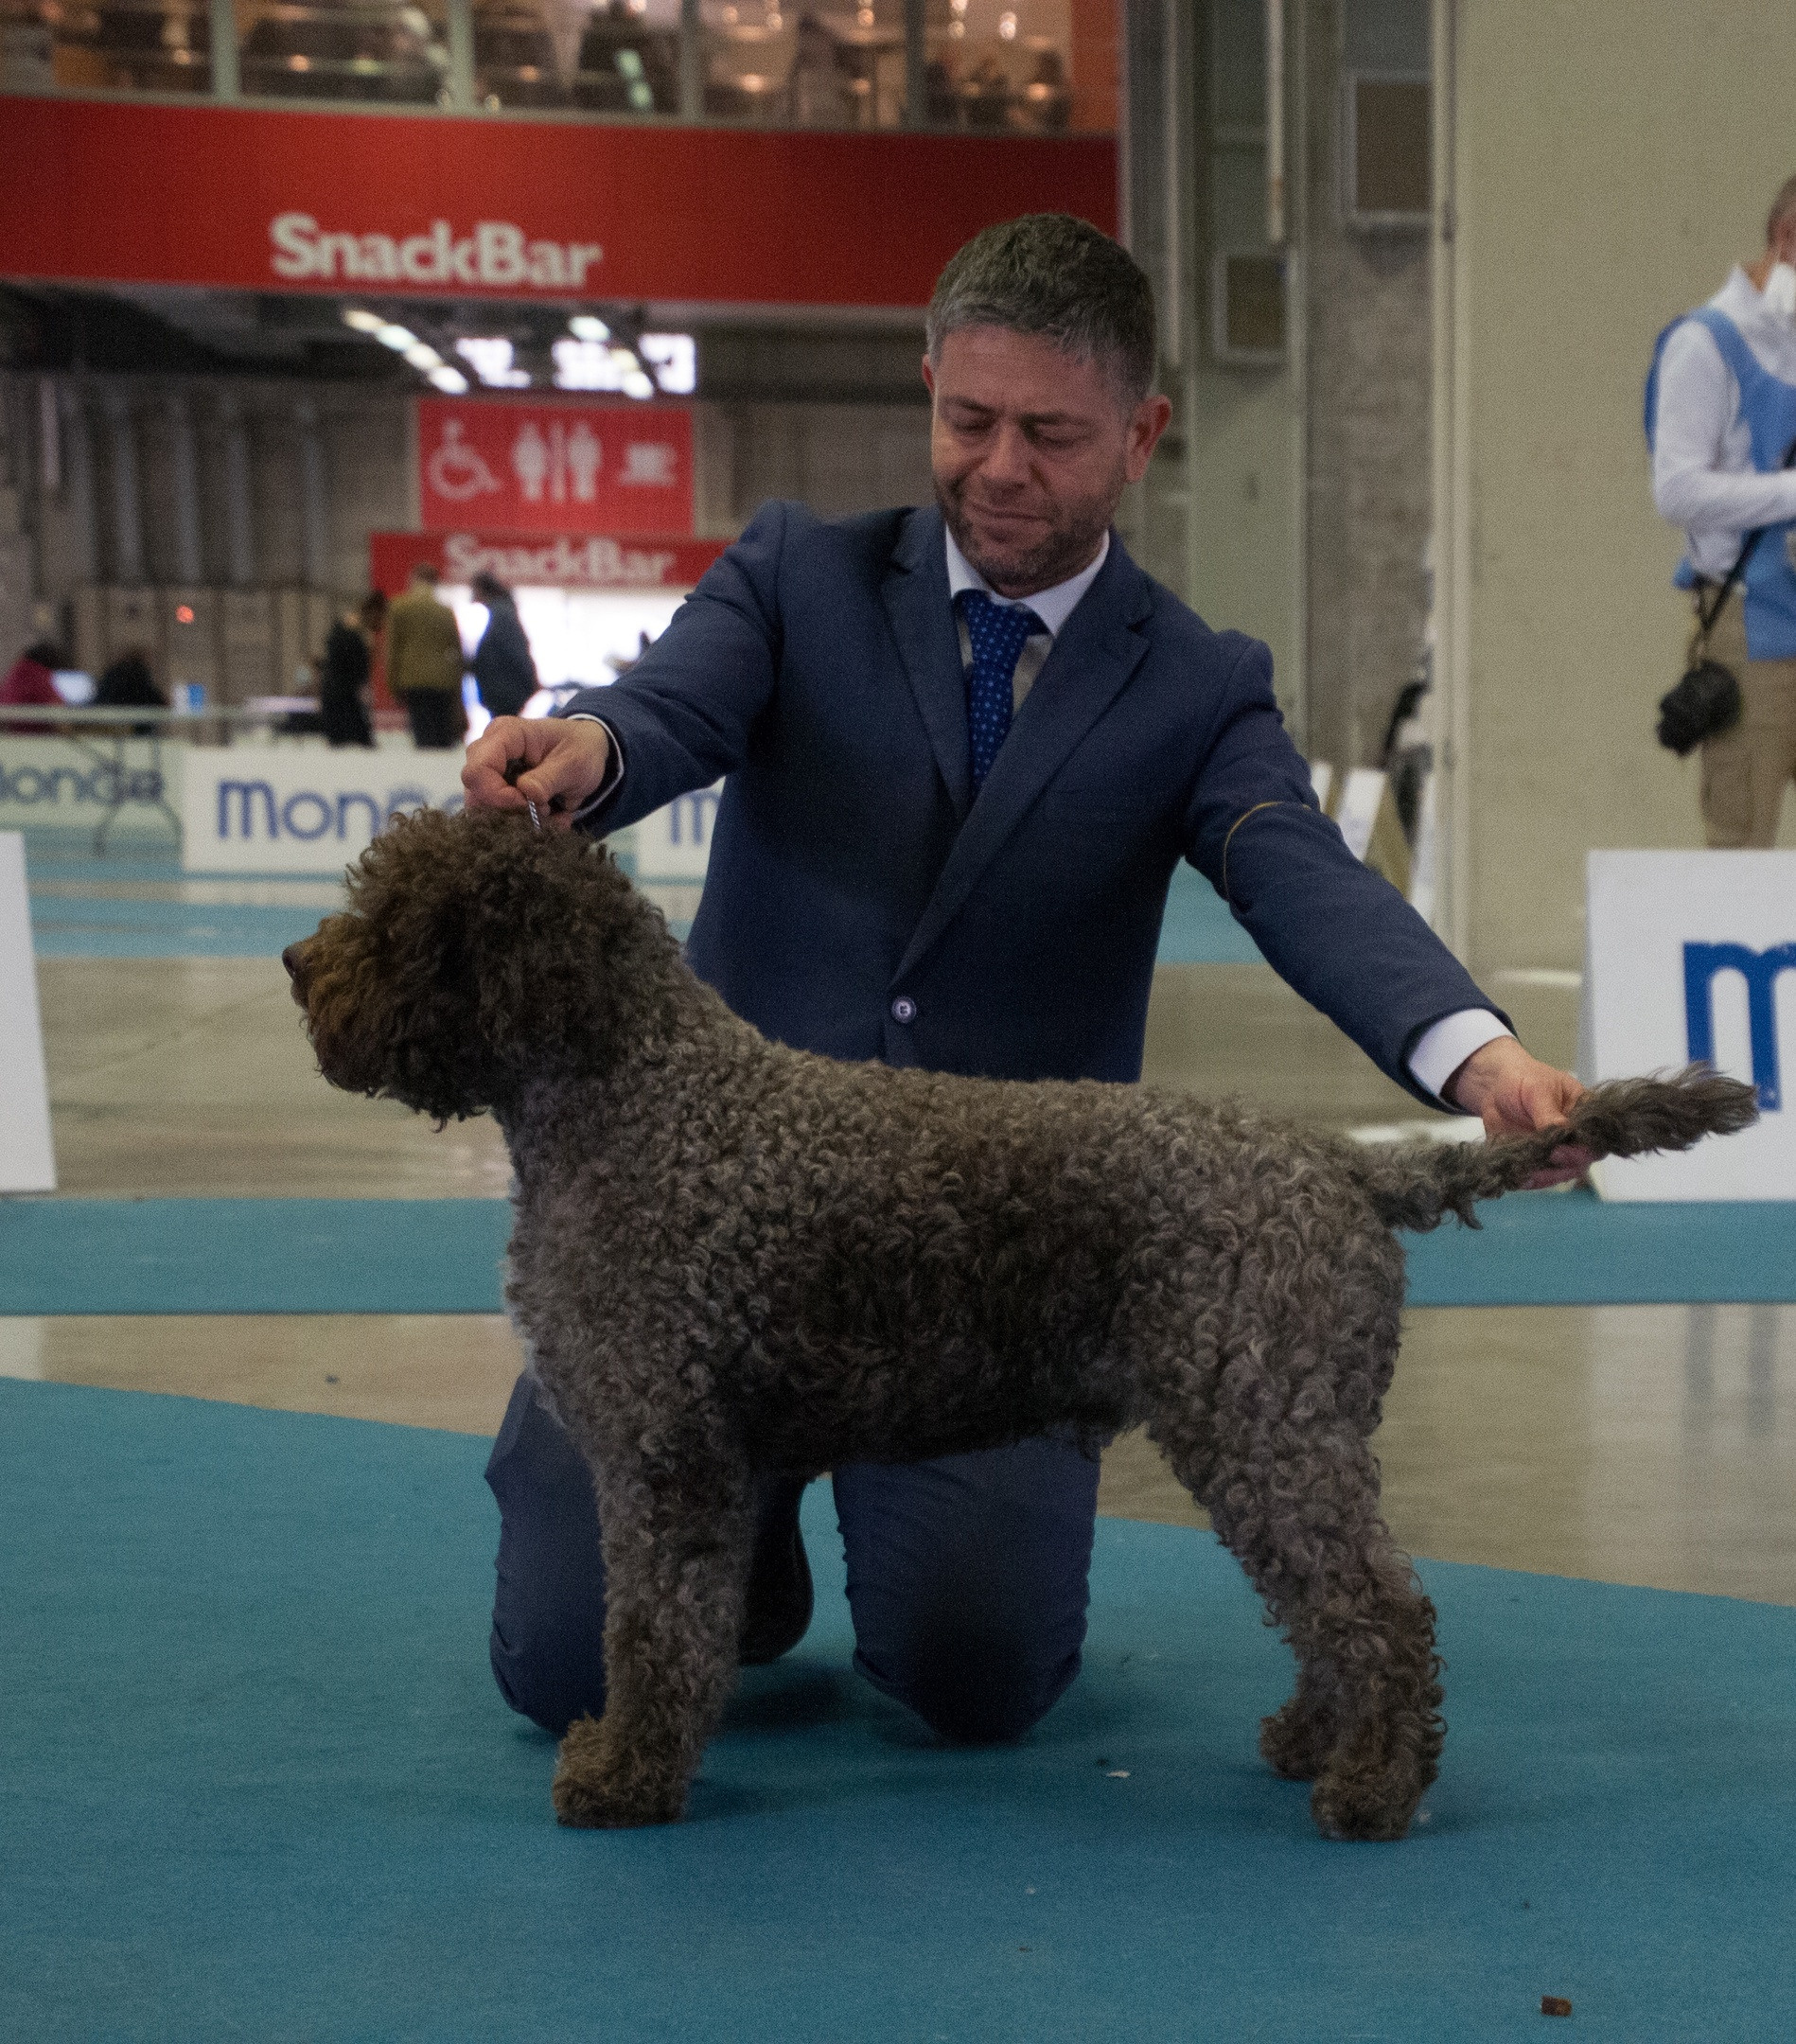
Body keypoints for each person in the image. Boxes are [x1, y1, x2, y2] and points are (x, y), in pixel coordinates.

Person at [462, 214, 1587, 1750]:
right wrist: (588, 748)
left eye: (1049, 435)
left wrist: (1477, 1060)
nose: (998, 467)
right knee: (557, 1674)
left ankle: (751, 1557)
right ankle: (742, 1563)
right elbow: (667, 707)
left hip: (984, 1273)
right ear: (928, 386)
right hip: (702, 1231)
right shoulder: (798, 573)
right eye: (965, 419)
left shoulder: (1195, 682)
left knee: (973, 1683)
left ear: (1138, 434)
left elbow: (1296, 872)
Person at [1649, 173, 1796, 846]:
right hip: (1752, 626)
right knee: (1744, 847)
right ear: (1785, 240)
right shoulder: (1705, 344)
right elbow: (1677, 488)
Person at [383, 563, 466, 750]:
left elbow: (393, 651)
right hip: (444, 682)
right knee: (443, 740)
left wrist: (392, 686)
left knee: (424, 740)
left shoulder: (399, 607)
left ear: (413, 579)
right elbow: (457, 652)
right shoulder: (445, 612)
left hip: (414, 681)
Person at [318, 592, 385, 749]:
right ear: (373, 612)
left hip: (336, 697)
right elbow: (358, 673)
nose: (381, 624)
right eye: (380, 617)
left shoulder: (343, 628)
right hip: (345, 700)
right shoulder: (357, 636)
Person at [467, 572, 538, 719]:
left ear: (481, 589)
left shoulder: (501, 615)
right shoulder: (502, 612)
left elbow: (516, 652)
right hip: (507, 690)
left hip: (504, 691)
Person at [1, 640, 65, 734]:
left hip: (11, 735)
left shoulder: (15, 673)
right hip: (33, 737)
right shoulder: (38, 675)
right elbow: (57, 709)